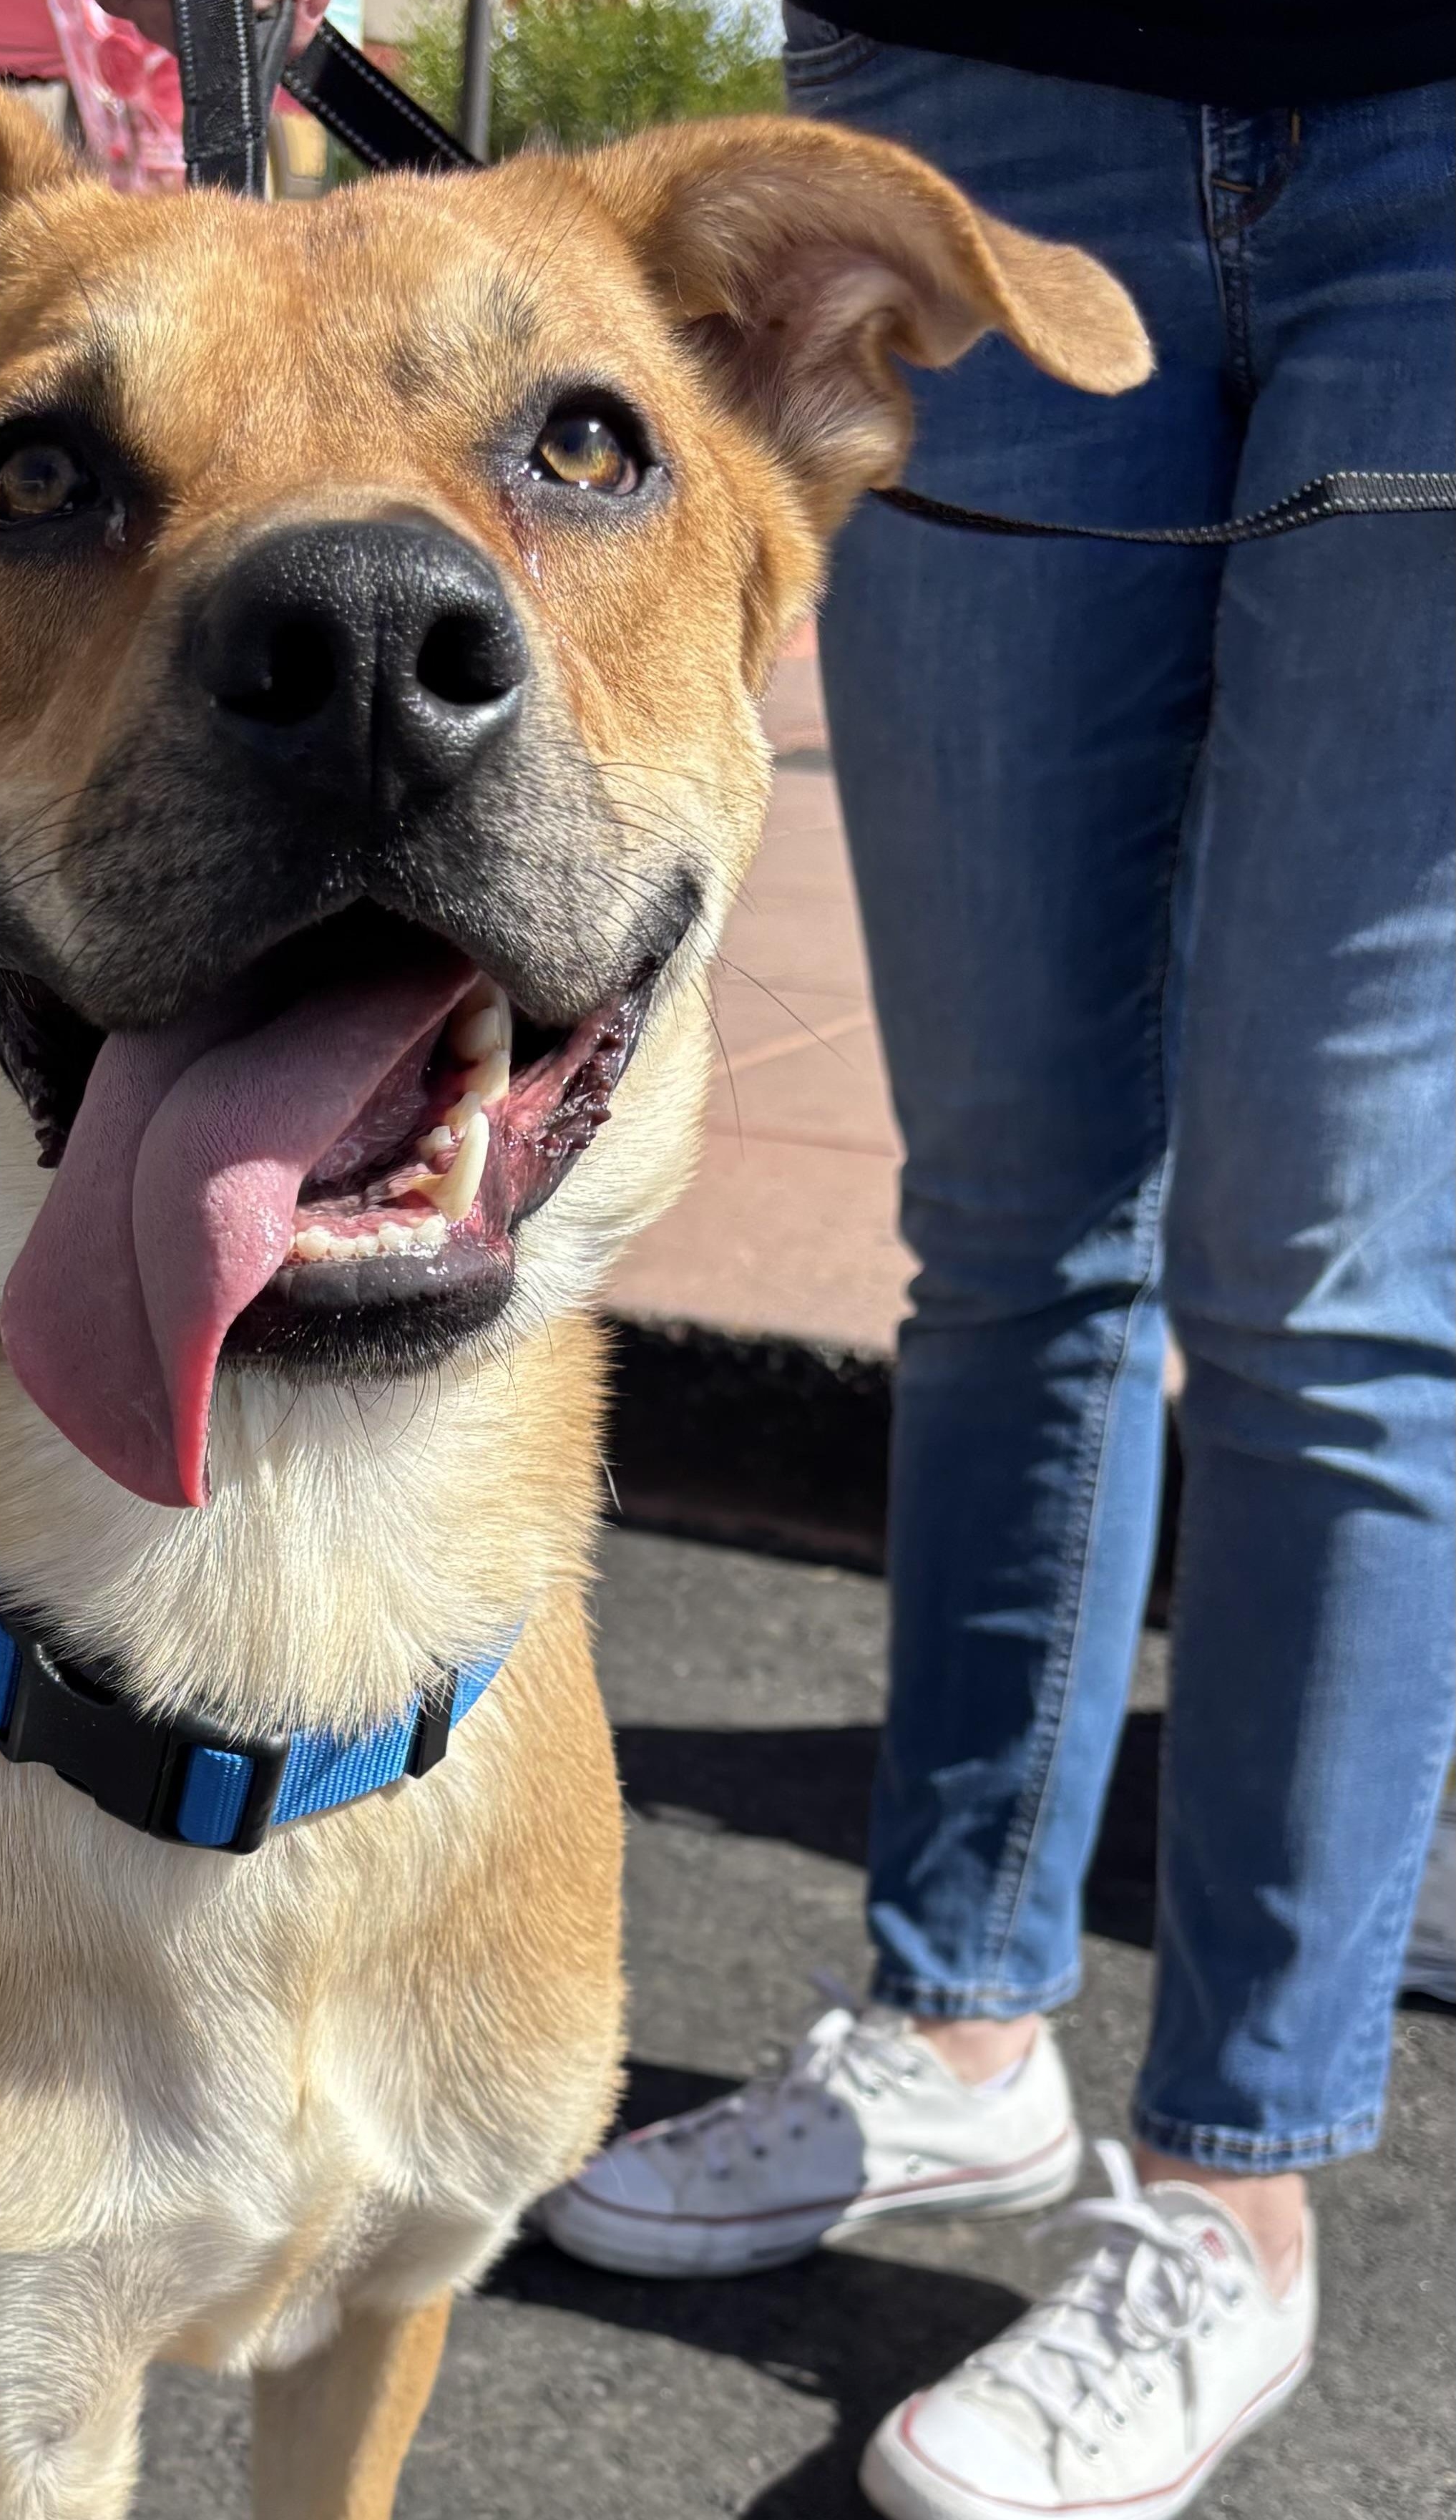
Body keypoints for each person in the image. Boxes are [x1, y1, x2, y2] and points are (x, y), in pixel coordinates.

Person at [541, 12, 1456, 2519]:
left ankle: (1229, 2190)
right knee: (1011, 1215)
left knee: (1333, 1273)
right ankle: (954, 2032)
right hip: (975, 94)